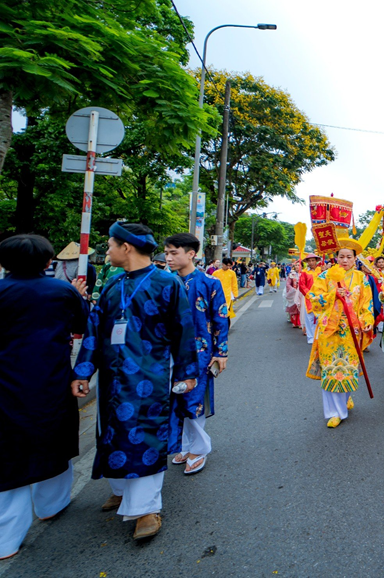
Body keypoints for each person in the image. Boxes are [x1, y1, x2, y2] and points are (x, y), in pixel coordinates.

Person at [70, 223, 198, 540]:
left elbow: (185, 330)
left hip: (150, 375)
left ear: (126, 247)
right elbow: (94, 331)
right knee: (111, 433)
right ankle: (122, 492)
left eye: (111, 245)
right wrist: (83, 371)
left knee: (145, 435)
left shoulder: (167, 283)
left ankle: (145, 509)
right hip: (112, 378)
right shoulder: (113, 285)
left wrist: (187, 373)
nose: (108, 251)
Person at [0, 235, 89, 560]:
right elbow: (82, 324)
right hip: (51, 380)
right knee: (55, 439)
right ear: (47, 261)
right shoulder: (61, 291)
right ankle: (51, 505)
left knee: (9, 454)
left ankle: (5, 539)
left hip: (6, 383)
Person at [163, 233, 230, 475]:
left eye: (174, 253)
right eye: (167, 253)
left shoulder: (209, 283)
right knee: (175, 399)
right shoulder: (164, 283)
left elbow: (221, 318)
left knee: (194, 398)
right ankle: (186, 444)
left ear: (191, 254)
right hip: (168, 353)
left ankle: (199, 448)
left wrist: (221, 352)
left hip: (200, 352)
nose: (168, 258)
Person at [306, 238, 373, 428]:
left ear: (354, 259)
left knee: (347, 369)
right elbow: (312, 298)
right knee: (332, 370)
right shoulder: (325, 277)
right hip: (330, 330)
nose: (345, 260)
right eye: (341, 256)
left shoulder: (361, 278)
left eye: (349, 257)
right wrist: (332, 295)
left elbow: (366, 303)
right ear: (336, 258)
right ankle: (335, 412)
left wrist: (367, 322)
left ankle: (345, 399)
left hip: (352, 331)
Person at [299, 254, 322, 344]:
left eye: (313, 260)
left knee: (320, 317)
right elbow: (302, 285)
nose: (311, 262)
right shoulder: (304, 272)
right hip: (309, 298)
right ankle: (311, 337)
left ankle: (319, 336)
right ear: (307, 262)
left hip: (321, 297)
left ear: (316, 261)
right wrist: (309, 294)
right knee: (310, 318)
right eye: (309, 261)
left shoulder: (321, 271)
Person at [284, 261, 304, 328]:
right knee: (294, 307)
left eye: (299, 265)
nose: (297, 266)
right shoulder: (291, 274)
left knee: (301, 307)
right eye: (296, 265)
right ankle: (295, 322)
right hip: (294, 293)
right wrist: (292, 289)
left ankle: (301, 323)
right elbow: (288, 284)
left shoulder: (304, 274)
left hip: (302, 293)